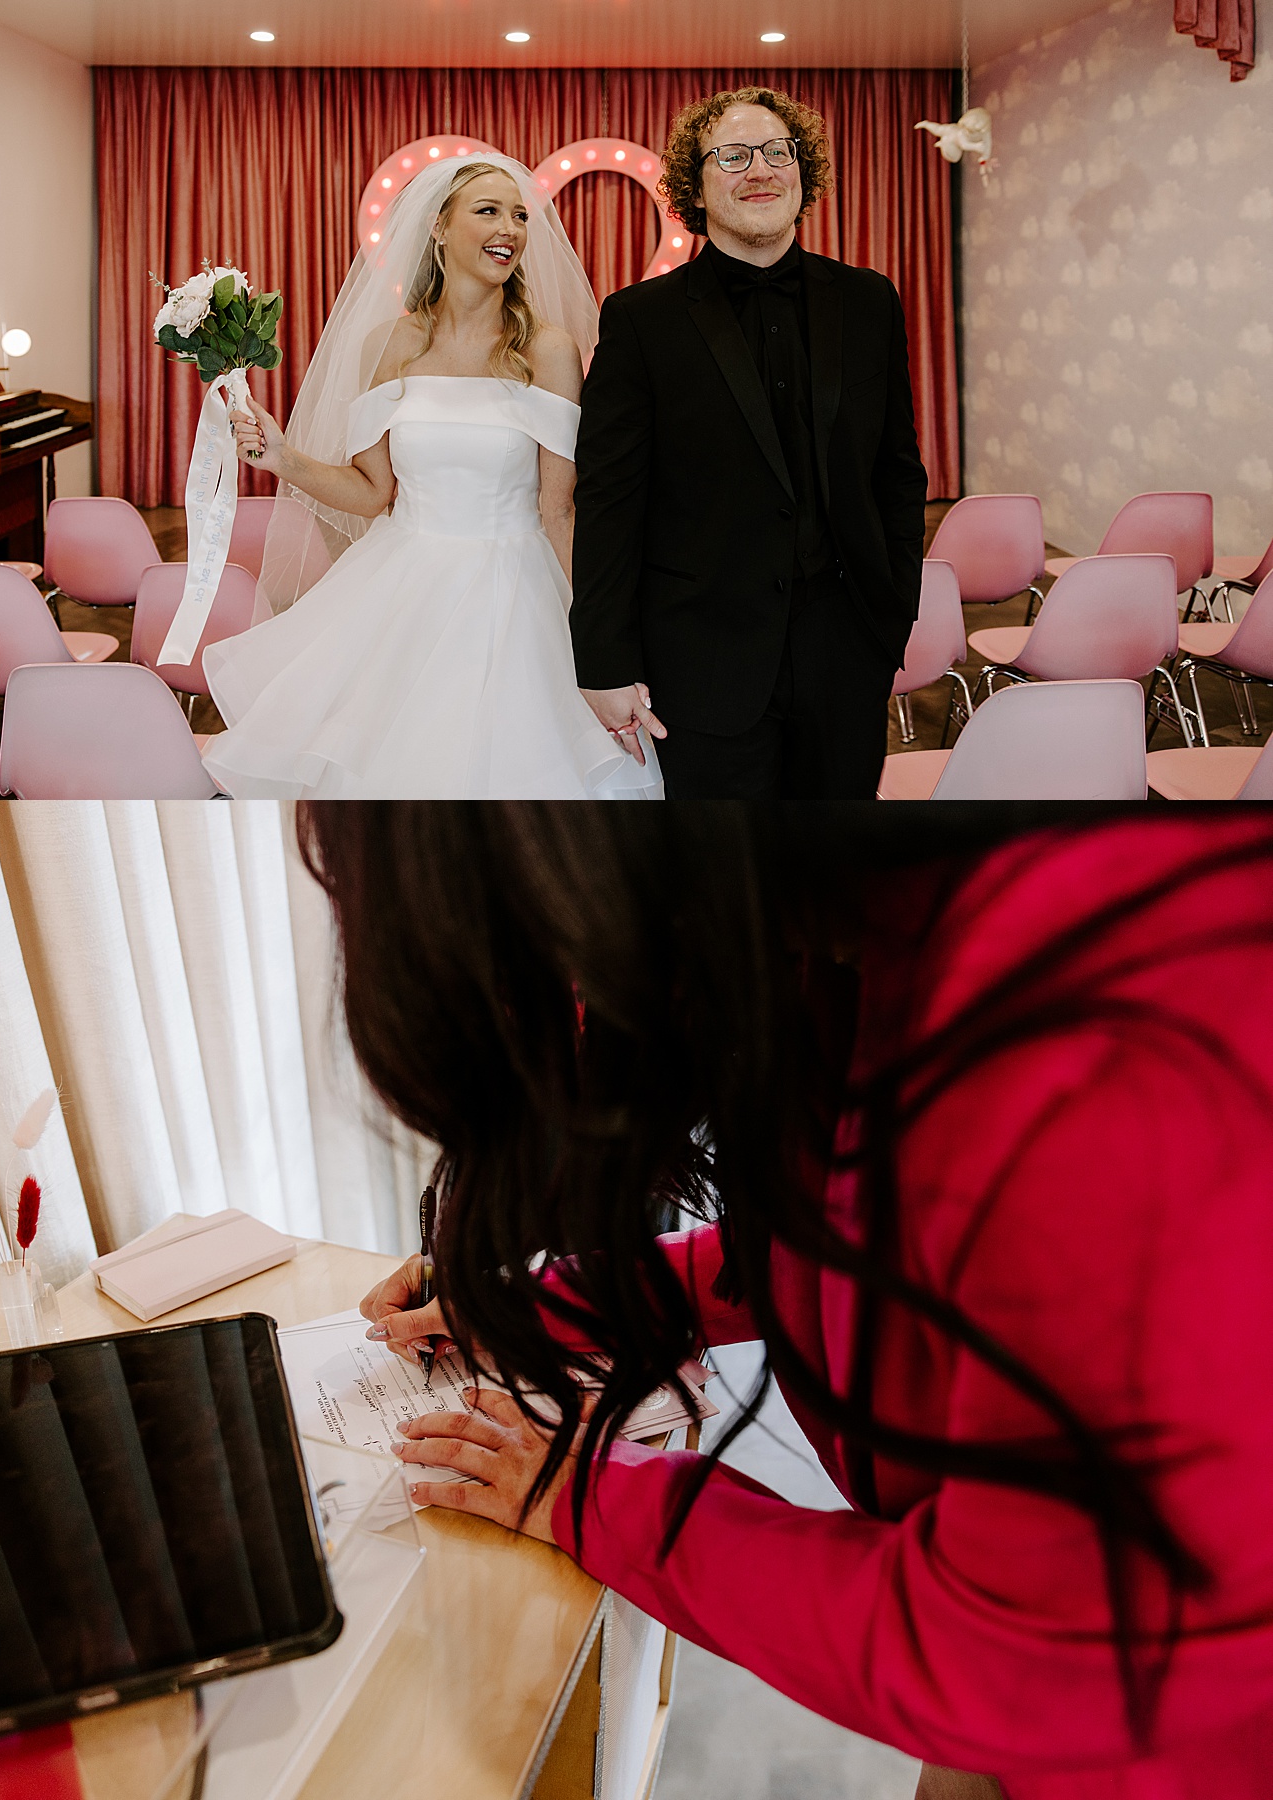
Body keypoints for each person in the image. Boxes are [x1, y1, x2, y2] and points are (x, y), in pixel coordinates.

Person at [297, 805, 1273, 1800]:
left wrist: (591, 1492)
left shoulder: (1112, 1070)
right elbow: (832, 1244)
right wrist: (532, 1303)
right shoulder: (849, 933)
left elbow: (1000, 1648)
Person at [199, 154, 660, 799]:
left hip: (519, 588)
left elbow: (560, 510)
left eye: (521, 215)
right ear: (439, 227)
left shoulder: (546, 351)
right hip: (403, 585)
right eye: (489, 210)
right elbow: (373, 492)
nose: (511, 228)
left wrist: (601, 639)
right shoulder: (391, 344)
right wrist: (284, 460)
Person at [570, 87, 929, 799]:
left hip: (847, 650)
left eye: (776, 152)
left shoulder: (869, 301)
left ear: (803, 172)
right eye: (732, 156)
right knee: (719, 878)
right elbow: (609, 498)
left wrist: (891, 616)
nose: (758, 169)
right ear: (694, 187)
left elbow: (897, 472)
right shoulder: (641, 319)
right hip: (700, 658)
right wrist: (604, 662)